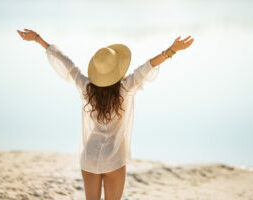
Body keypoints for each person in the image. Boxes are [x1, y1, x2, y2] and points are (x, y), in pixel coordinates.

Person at [17, 28, 194, 200]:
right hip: (114, 157)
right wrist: (172, 50)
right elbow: (148, 66)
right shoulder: (125, 88)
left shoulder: (87, 88)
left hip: (90, 155)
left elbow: (67, 64)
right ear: (117, 69)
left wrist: (37, 39)